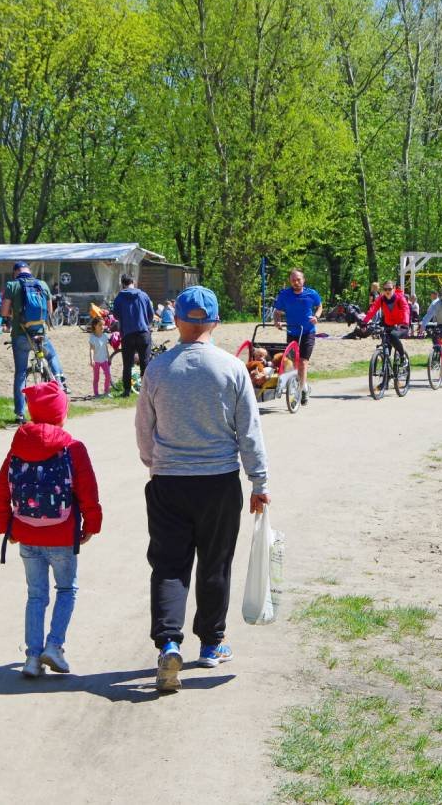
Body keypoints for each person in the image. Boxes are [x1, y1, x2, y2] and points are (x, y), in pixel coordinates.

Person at [135, 286, 270, 693]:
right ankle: (211, 643)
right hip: (219, 482)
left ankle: (169, 642)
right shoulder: (231, 368)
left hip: (169, 482)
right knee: (215, 561)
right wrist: (258, 481)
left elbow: (145, 429)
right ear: (214, 322)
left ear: (177, 321)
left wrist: (154, 463)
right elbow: (249, 431)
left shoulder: (158, 369)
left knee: (169, 564)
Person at [0, 381, 102, 678]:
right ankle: (54, 646)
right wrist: (91, 525)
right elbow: (88, 492)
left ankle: (31, 656)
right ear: (62, 415)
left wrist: (8, 528)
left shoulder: (18, 448)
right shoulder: (73, 448)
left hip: (27, 534)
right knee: (66, 589)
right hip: (63, 535)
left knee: (36, 595)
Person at [0, 261, 66, 424]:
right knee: (51, 356)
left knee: (21, 373)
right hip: (40, 334)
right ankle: (60, 379)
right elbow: (50, 311)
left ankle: (20, 414)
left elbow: (4, 311)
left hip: (20, 334)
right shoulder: (42, 284)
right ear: (29, 271)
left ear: (16, 272)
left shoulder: (12, 285)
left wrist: (13, 315)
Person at [273, 269, 323, 405]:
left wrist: (316, 316)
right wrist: (277, 321)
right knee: (292, 363)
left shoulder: (311, 293)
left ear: (303, 280)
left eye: (298, 280)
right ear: (290, 281)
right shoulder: (284, 294)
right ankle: (305, 386)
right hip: (292, 332)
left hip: (308, 332)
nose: (296, 282)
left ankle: (300, 392)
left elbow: (319, 306)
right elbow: (277, 311)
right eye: (293, 280)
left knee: (302, 362)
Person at [112, 274, 154, 397]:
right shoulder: (143, 295)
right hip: (143, 332)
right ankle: (146, 390)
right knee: (145, 362)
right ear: (133, 282)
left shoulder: (119, 297)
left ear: (122, 284)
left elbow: (116, 315)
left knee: (127, 364)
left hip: (127, 333)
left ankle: (126, 390)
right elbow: (150, 314)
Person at [363, 280, 411, 359]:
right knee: (385, 339)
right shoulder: (381, 299)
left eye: (389, 289)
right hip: (389, 324)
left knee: (392, 336)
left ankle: (402, 356)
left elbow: (406, 310)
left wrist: (405, 323)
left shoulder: (400, 298)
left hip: (401, 325)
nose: (387, 291)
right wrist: (364, 322)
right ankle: (386, 364)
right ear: (383, 290)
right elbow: (373, 309)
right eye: (385, 289)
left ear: (394, 289)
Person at [89, 318, 113, 397]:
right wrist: (92, 359)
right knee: (96, 378)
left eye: (103, 325)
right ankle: (96, 393)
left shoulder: (105, 336)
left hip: (104, 360)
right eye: (100, 325)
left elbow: (106, 348)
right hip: (96, 361)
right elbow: (92, 349)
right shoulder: (92, 337)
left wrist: (109, 357)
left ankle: (106, 392)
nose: (102, 327)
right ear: (95, 326)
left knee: (108, 375)